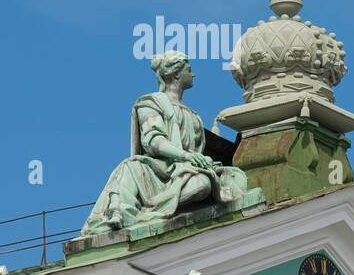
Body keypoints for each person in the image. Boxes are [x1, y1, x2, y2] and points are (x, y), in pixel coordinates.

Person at [81, 51, 251, 236]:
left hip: (189, 169)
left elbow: (198, 151)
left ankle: (163, 207)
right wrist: (186, 156)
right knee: (132, 169)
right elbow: (153, 141)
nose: (193, 74)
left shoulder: (193, 115)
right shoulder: (150, 102)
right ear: (177, 73)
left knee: (207, 183)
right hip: (157, 170)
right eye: (189, 69)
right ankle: (135, 212)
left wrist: (199, 161)